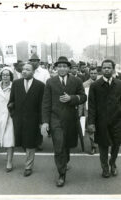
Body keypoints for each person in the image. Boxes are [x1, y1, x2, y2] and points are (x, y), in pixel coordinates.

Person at [41, 56, 87, 187]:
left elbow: (83, 97)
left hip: (71, 119)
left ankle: (65, 161)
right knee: (59, 146)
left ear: (68, 68)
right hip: (56, 120)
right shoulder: (50, 82)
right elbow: (46, 103)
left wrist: (72, 98)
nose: (62, 69)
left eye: (64, 66)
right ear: (56, 68)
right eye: (59, 66)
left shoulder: (77, 80)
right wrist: (45, 122)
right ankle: (61, 174)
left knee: (67, 145)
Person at [8, 63, 44, 177]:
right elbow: (11, 101)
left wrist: (41, 121)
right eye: (23, 69)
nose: (24, 71)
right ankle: (28, 160)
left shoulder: (40, 85)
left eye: (27, 69)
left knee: (30, 143)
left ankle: (28, 167)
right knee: (22, 142)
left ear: (33, 72)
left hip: (33, 120)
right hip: (19, 119)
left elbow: (42, 105)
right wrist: (13, 114)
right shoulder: (16, 84)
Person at [88, 59, 121, 178]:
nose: (106, 69)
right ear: (101, 69)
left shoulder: (119, 84)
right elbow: (91, 106)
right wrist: (91, 123)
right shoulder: (95, 86)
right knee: (103, 146)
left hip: (117, 121)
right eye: (104, 67)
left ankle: (112, 164)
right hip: (101, 122)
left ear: (113, 69)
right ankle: (105, 168)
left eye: (109, 67)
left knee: (116, 145)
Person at [29, 53, 50, 148]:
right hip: (29, 99)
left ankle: (39, 142)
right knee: (31, 121)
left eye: (35, 61)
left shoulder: (44, 72)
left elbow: (48, 85)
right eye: (32, 61)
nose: (33, 63)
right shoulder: (28, 71)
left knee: (40, 121)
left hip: (41, 99)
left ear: (38, 62)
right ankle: (31, 141)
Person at [83, 67, 98, 155]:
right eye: (91, 73)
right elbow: (83, 99)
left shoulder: (102, 82)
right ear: (89, 74)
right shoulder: (85, 84)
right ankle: (93, 146)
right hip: (88, 109)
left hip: (101, 110)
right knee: (91, 128)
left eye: (95, 73)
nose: (93, 75)